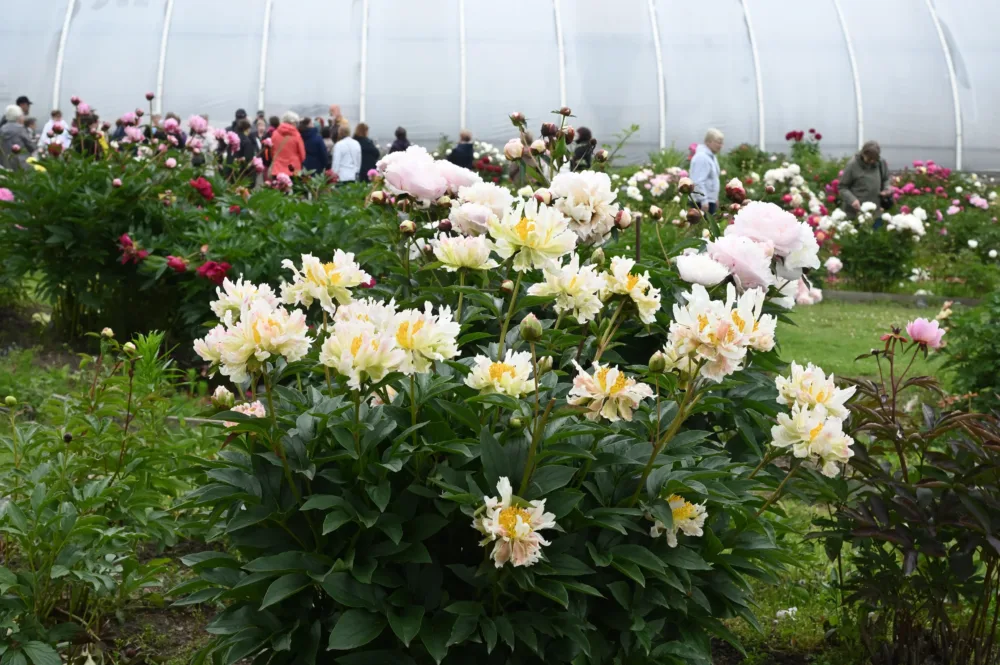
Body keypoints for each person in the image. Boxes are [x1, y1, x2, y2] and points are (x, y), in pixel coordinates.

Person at [840, 140, 891, 218]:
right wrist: (852, 200)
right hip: (856, 213)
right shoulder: (852, 165)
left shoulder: (880, 162)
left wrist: (886, 189)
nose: (872, 161)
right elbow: (842, 187)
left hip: (875, 212)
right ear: (863, 153)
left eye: (874, 159)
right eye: (869, 158)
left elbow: (886, 178)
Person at [690, 128, 723, 214]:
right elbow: (697, 181)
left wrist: (715, 198)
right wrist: (703, 200)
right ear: (708, 142)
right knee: (703, 222)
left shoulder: (711, 157)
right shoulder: (702, 157)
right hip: (701, 203)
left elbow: (713, 179)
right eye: (718, 142)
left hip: (709, 200)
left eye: (721, 143)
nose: (720, 146)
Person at [268, 111, 306, 178]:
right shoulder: (296, 135)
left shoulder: (275, 133)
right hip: (293, 170)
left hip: (277, 169)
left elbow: (272, 151)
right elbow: (302, 155)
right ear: (293, 123)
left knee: (277, 185)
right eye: (296, 123)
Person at [0, 105, 37, 169]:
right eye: (22, 116)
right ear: (18, 117)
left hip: (5, 164)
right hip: (21, 164)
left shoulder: (2, 129)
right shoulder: (20, 129)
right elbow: (31, 146)